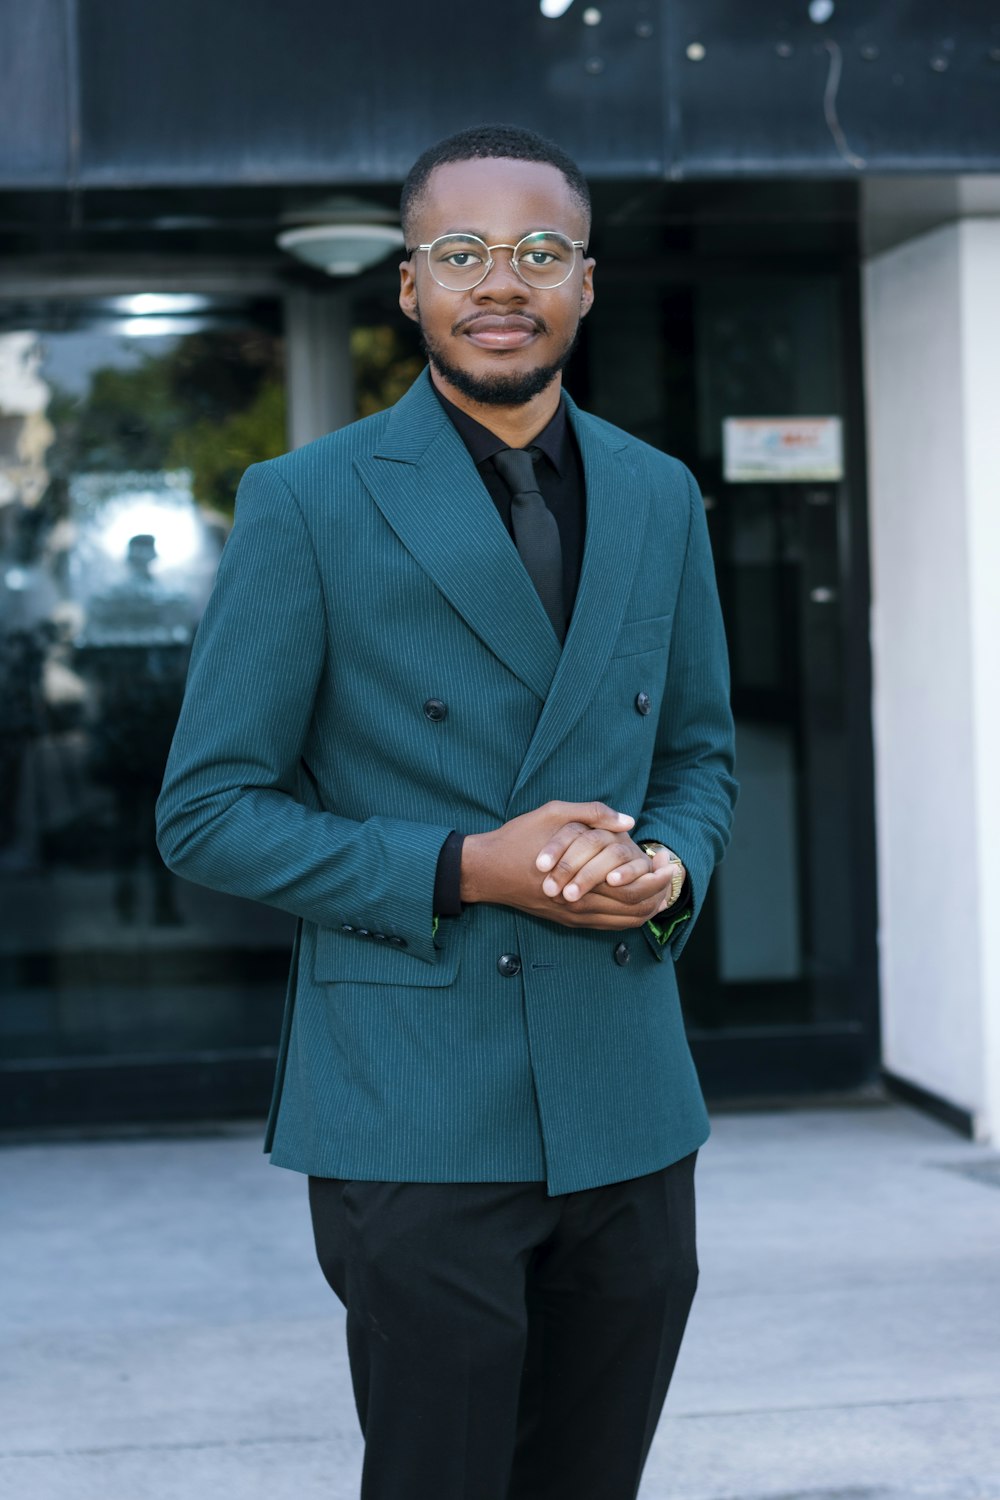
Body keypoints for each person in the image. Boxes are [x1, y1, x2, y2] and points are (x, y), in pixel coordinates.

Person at [156, 123, 737, 1500]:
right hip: (412, 1103)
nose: (502, 280)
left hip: (626, 1093)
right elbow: (208, 813)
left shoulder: (660, 495)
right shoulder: (307, 503)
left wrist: (672, 864)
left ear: (586, 284)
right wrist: (467, 866)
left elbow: (700, 755)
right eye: (461, 251)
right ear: (408, 286)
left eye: (540, 251)